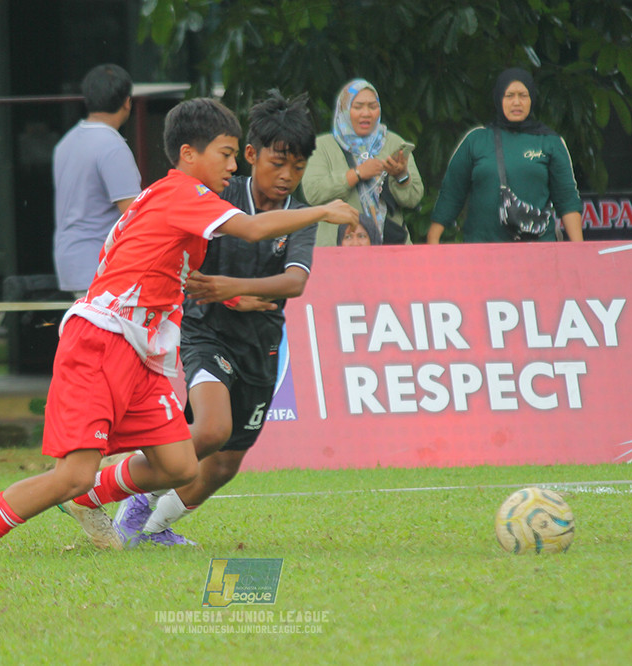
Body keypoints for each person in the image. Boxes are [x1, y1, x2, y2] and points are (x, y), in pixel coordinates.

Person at [0, 97, 359, 563]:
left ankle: (88, 499)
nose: (234, 164)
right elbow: (253, 230)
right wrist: (321, 211)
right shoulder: (183, 193)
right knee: (72, 473)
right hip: (102, 343)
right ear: (188, 154)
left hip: (141, 349)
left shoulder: (167, 198)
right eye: (227, 153)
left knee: (177, 465)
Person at [58, 90, 320, 547]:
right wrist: (226, 294)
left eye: (297, 168)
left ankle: (155, 529)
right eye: (278, 164)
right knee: (212, 427)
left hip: (262, 342)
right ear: (251, 157)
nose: (286, 176)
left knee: (223, 462)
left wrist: (236, 289)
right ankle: (118, 499)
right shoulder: (218, 192)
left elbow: (295, 282)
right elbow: (188, 266)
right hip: (206, 330)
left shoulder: (299, 214)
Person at [426, 68, 584, 244]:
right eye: (509, 96)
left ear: (532, 98)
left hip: (538, 253)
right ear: (499, 98)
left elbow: (567, 201)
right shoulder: (476, 140)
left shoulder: (550, 142)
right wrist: (433, 240)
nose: (516, 102)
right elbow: (452, 194)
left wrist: (579, 250)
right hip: (482, 253)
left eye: (523, 95)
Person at [53, 63, 142, 297]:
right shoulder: (112, 146)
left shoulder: (66, 142)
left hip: (71, 261)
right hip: (100, 266)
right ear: (127, 102)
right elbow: (133, 214)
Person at [302, 78, 423, 246]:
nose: (366, 113)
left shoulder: (393, 142)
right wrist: (356, 174)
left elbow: (414, 198)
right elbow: (313, 193)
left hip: (390, 252)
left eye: (372, 107)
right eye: (357, 107)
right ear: (343, 109)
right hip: (337, 252)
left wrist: (401, 176)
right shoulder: (322, 146)